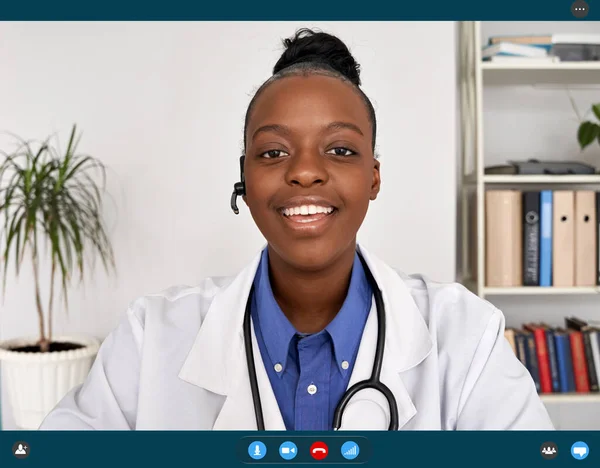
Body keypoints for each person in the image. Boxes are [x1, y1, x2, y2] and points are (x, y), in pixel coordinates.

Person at [39, 28, 554, 431]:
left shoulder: (466, 336)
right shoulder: (151, 335)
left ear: (373, 177)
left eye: (341, 150)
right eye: (273, 152)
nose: (305, 171)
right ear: (244, 177)